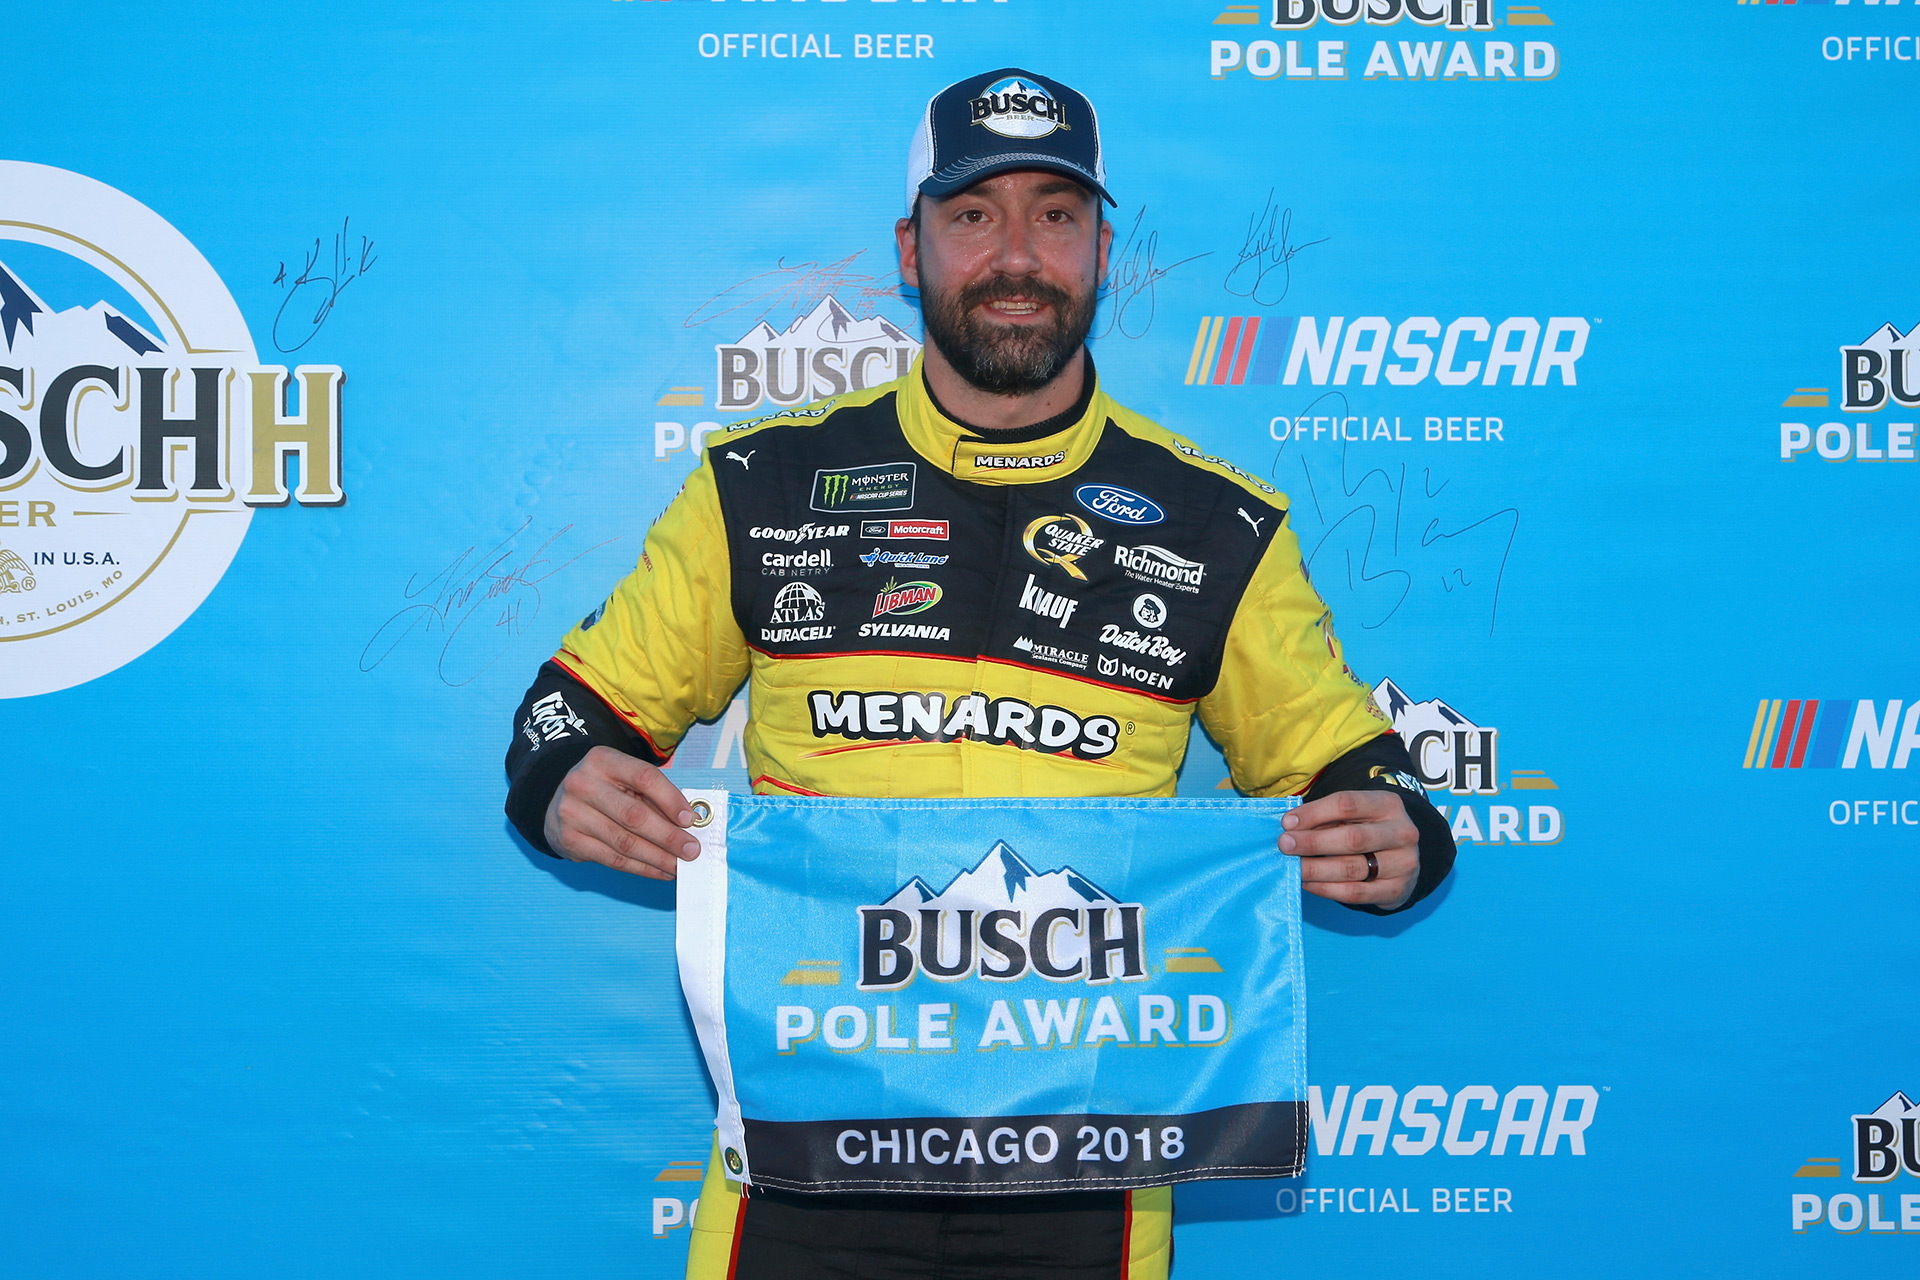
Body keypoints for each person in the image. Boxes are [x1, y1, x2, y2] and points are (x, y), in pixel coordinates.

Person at [505, 67, 1455, 1280]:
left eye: (1055, 214)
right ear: (911, 250)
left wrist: (1396, 834)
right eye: (972, 214)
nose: (1016, 255)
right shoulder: (762, 484)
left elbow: (1358, 775)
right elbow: (562, 718)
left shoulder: (1216, 525)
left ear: (1102, 249)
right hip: (803, 1163)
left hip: (1088, 1172)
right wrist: (561, 778)